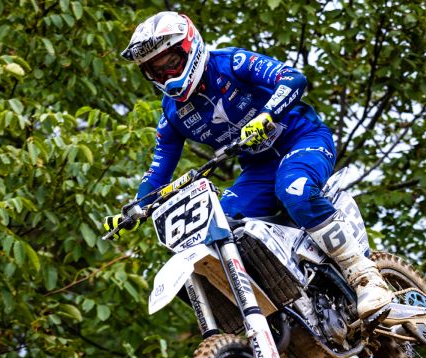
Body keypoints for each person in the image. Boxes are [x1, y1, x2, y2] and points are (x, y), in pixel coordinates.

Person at [105, 12, 391, 318]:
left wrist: (267, 114)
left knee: (294, 189)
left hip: (302, 139)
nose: (165, 75)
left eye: (170, 64)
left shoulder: (231, 63)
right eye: (155, 71)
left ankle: (364, 275)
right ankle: (283, 311)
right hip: (259, 168)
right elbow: (158, 168)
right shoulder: (172, 114)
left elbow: (292, 78)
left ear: (189, 47)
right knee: (216, 228)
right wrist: (135, 208)